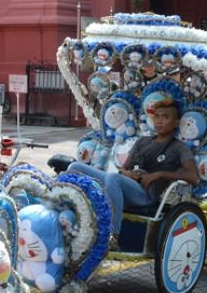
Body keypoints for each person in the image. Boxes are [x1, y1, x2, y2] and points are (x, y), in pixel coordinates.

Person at [68, 99, 199, 249]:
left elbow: (193, 177)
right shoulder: (142, 142)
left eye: (165, 117)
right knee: (75, 167)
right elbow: (123, 168)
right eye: (156, 116)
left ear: (176, 122)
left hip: (145, 194)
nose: (159, 121)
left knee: (113, 177)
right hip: (125, 183)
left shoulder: (179, 148)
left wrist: (160, 174)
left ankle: (113, 235)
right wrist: (129, 174)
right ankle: (71, 219)